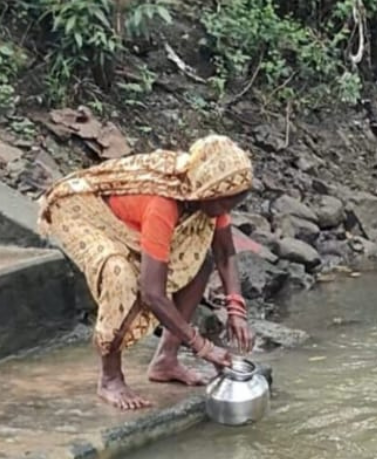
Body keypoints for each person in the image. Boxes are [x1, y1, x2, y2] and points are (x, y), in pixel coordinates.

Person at [38, 135, 255, 410]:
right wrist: (203, 346)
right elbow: (152, 292)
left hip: (134, 217)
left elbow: (224, 253)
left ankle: (166, 360)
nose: (226, 213)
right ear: (205, 194)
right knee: (119, 273)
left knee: (200, 260)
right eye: (224, 205)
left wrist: (237, 311)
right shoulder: (164, 204)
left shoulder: (209, 193)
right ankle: (110, 378)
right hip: (84, 212)